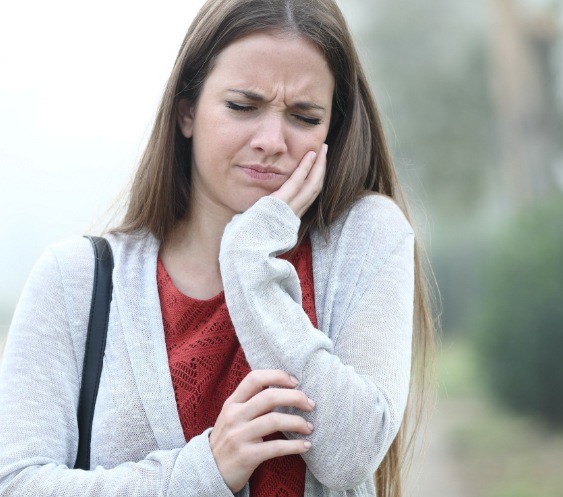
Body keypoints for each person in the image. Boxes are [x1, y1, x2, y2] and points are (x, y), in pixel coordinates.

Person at [0, 0, 436, 496]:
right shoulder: (73, 279)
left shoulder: (365, 238)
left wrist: (248, 259)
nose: (272, 140)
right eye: (242, 106)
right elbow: (17, 484)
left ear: (332, 129)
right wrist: (201, 472)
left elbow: (348, 455)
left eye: (303, 116)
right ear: (187, 111)